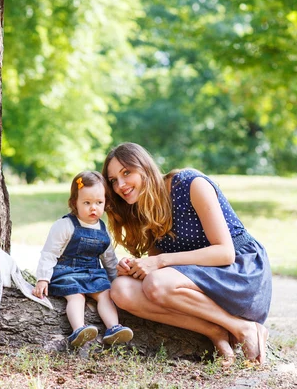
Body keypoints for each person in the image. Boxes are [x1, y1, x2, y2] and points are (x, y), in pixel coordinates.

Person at [102, 142, 272, 365]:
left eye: (127, 172)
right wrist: (132, 268)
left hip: (240, 273)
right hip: (197, 284)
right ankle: (216, 330)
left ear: (145, 168)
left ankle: (244, 328)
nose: (121, 185)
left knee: (157, 283)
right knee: (121, 290)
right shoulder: (145, 209)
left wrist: (159, 261)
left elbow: (225, 253)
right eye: (114, 180)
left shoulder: (190, 183)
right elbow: (156, 269)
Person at [32, 171, 134, 348]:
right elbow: (49, 253)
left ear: (106, 203)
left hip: (93, 273)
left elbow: (109, 260)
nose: (93, 208)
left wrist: (115, 280)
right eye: (86, 203)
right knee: (77, 297)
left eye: (98, 203)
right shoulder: (65, 225)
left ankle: (113, 328)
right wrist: (43, 278)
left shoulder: (103, 230)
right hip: (67, 272)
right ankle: (79, 329)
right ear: (74, 203)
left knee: (106, 295)